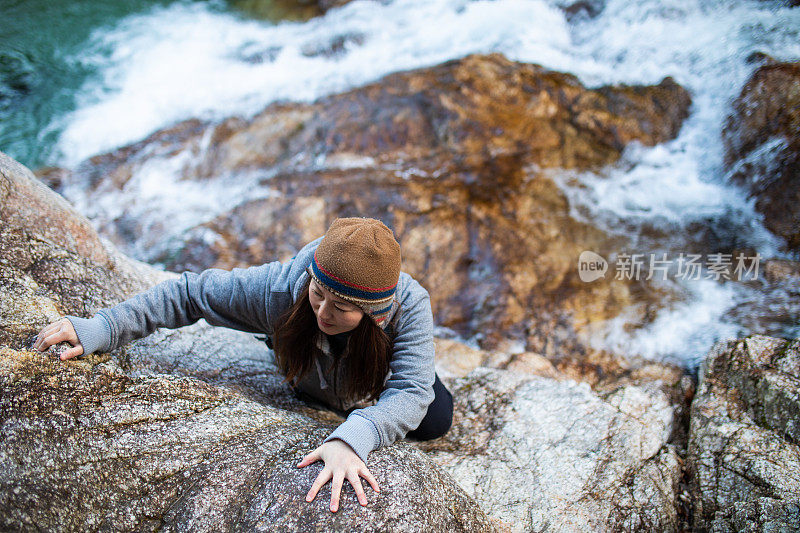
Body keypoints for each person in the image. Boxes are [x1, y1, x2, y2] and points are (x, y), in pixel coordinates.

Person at [33, 217, 453, 513]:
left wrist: (352, 439)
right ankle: (280, 344)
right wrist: (105, 327)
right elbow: (189, 293)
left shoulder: (409, 309)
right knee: (295, 338)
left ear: (374, 312)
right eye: (318, 293)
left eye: (341, 307)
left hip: (370, 379)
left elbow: (412, 391)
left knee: (435, 417)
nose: (324, 311)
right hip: (308, 371)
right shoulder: (279, 288)